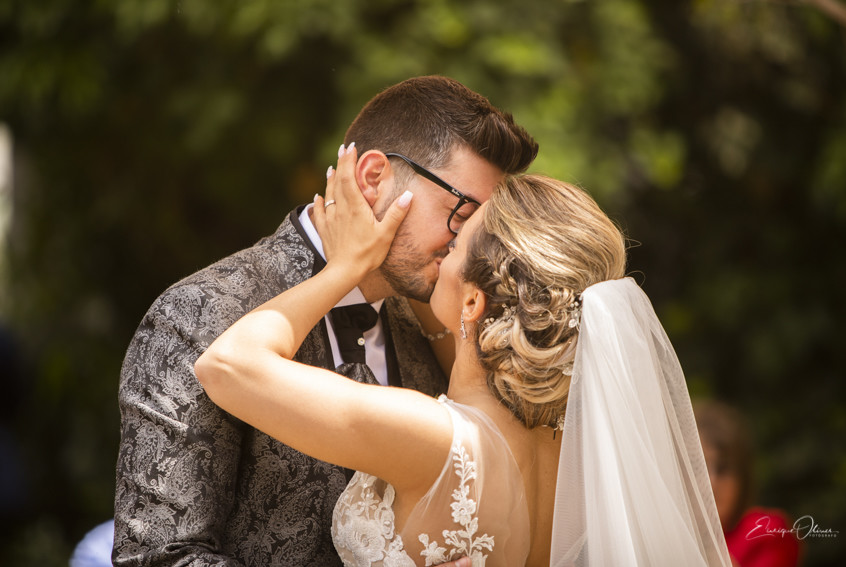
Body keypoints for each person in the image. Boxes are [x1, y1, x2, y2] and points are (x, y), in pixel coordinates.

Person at [195, 150, 734, 566]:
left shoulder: (434, 438)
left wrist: (346, 267)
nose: (441, 254)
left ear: (475, 302)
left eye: (455, 247)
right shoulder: (574, 454)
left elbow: (227, 365)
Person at [113, 76, 538, 567]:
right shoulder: (197, 313)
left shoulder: (439, 331)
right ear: (373, 178)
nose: (468, 245)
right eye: (461, 214)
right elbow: (160, 558)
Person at [694, 401, 802, 567]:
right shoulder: (664, 532)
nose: (711, 483)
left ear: (742, 476)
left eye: (723, 469)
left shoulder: (766, 531)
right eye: (697, 468)